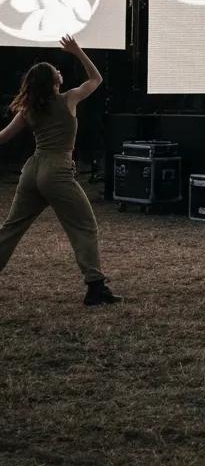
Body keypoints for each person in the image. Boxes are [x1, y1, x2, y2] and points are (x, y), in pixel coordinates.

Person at [0, 36, 121, 305]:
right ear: (55, 81)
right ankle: (95, 287)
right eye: (56, 71)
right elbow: (96, 79)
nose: (60, 72)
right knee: (84, 226)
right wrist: (77, 51)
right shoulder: (69, 99)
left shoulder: (28, 108)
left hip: (32, 170)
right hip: (57, 170)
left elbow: (3, 137)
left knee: (11, 228)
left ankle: (96, 286)